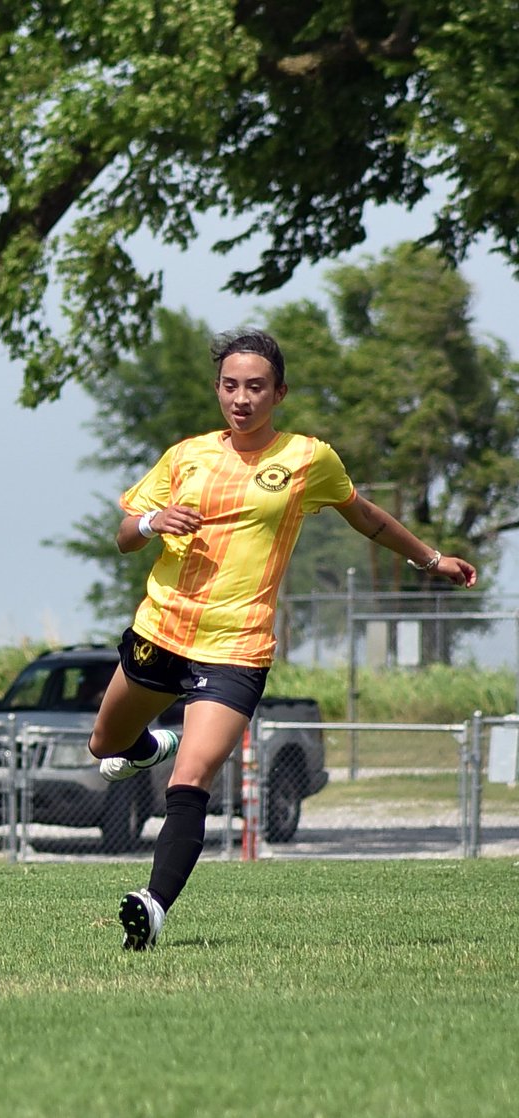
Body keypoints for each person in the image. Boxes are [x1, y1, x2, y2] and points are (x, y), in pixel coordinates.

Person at [90, 328, 476, 950]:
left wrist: (432, 560)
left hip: (236, 647)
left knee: (191, 779)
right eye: (230, 386)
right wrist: (152, 520)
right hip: (159, 628)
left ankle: (153, 905)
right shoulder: (186, 455)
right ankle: (151, 742)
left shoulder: (306, 458)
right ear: (218, 389)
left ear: (279, 393)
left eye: (255, 387)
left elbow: (367, 517)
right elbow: (125, 535)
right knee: (104, 744)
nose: (241, 398)